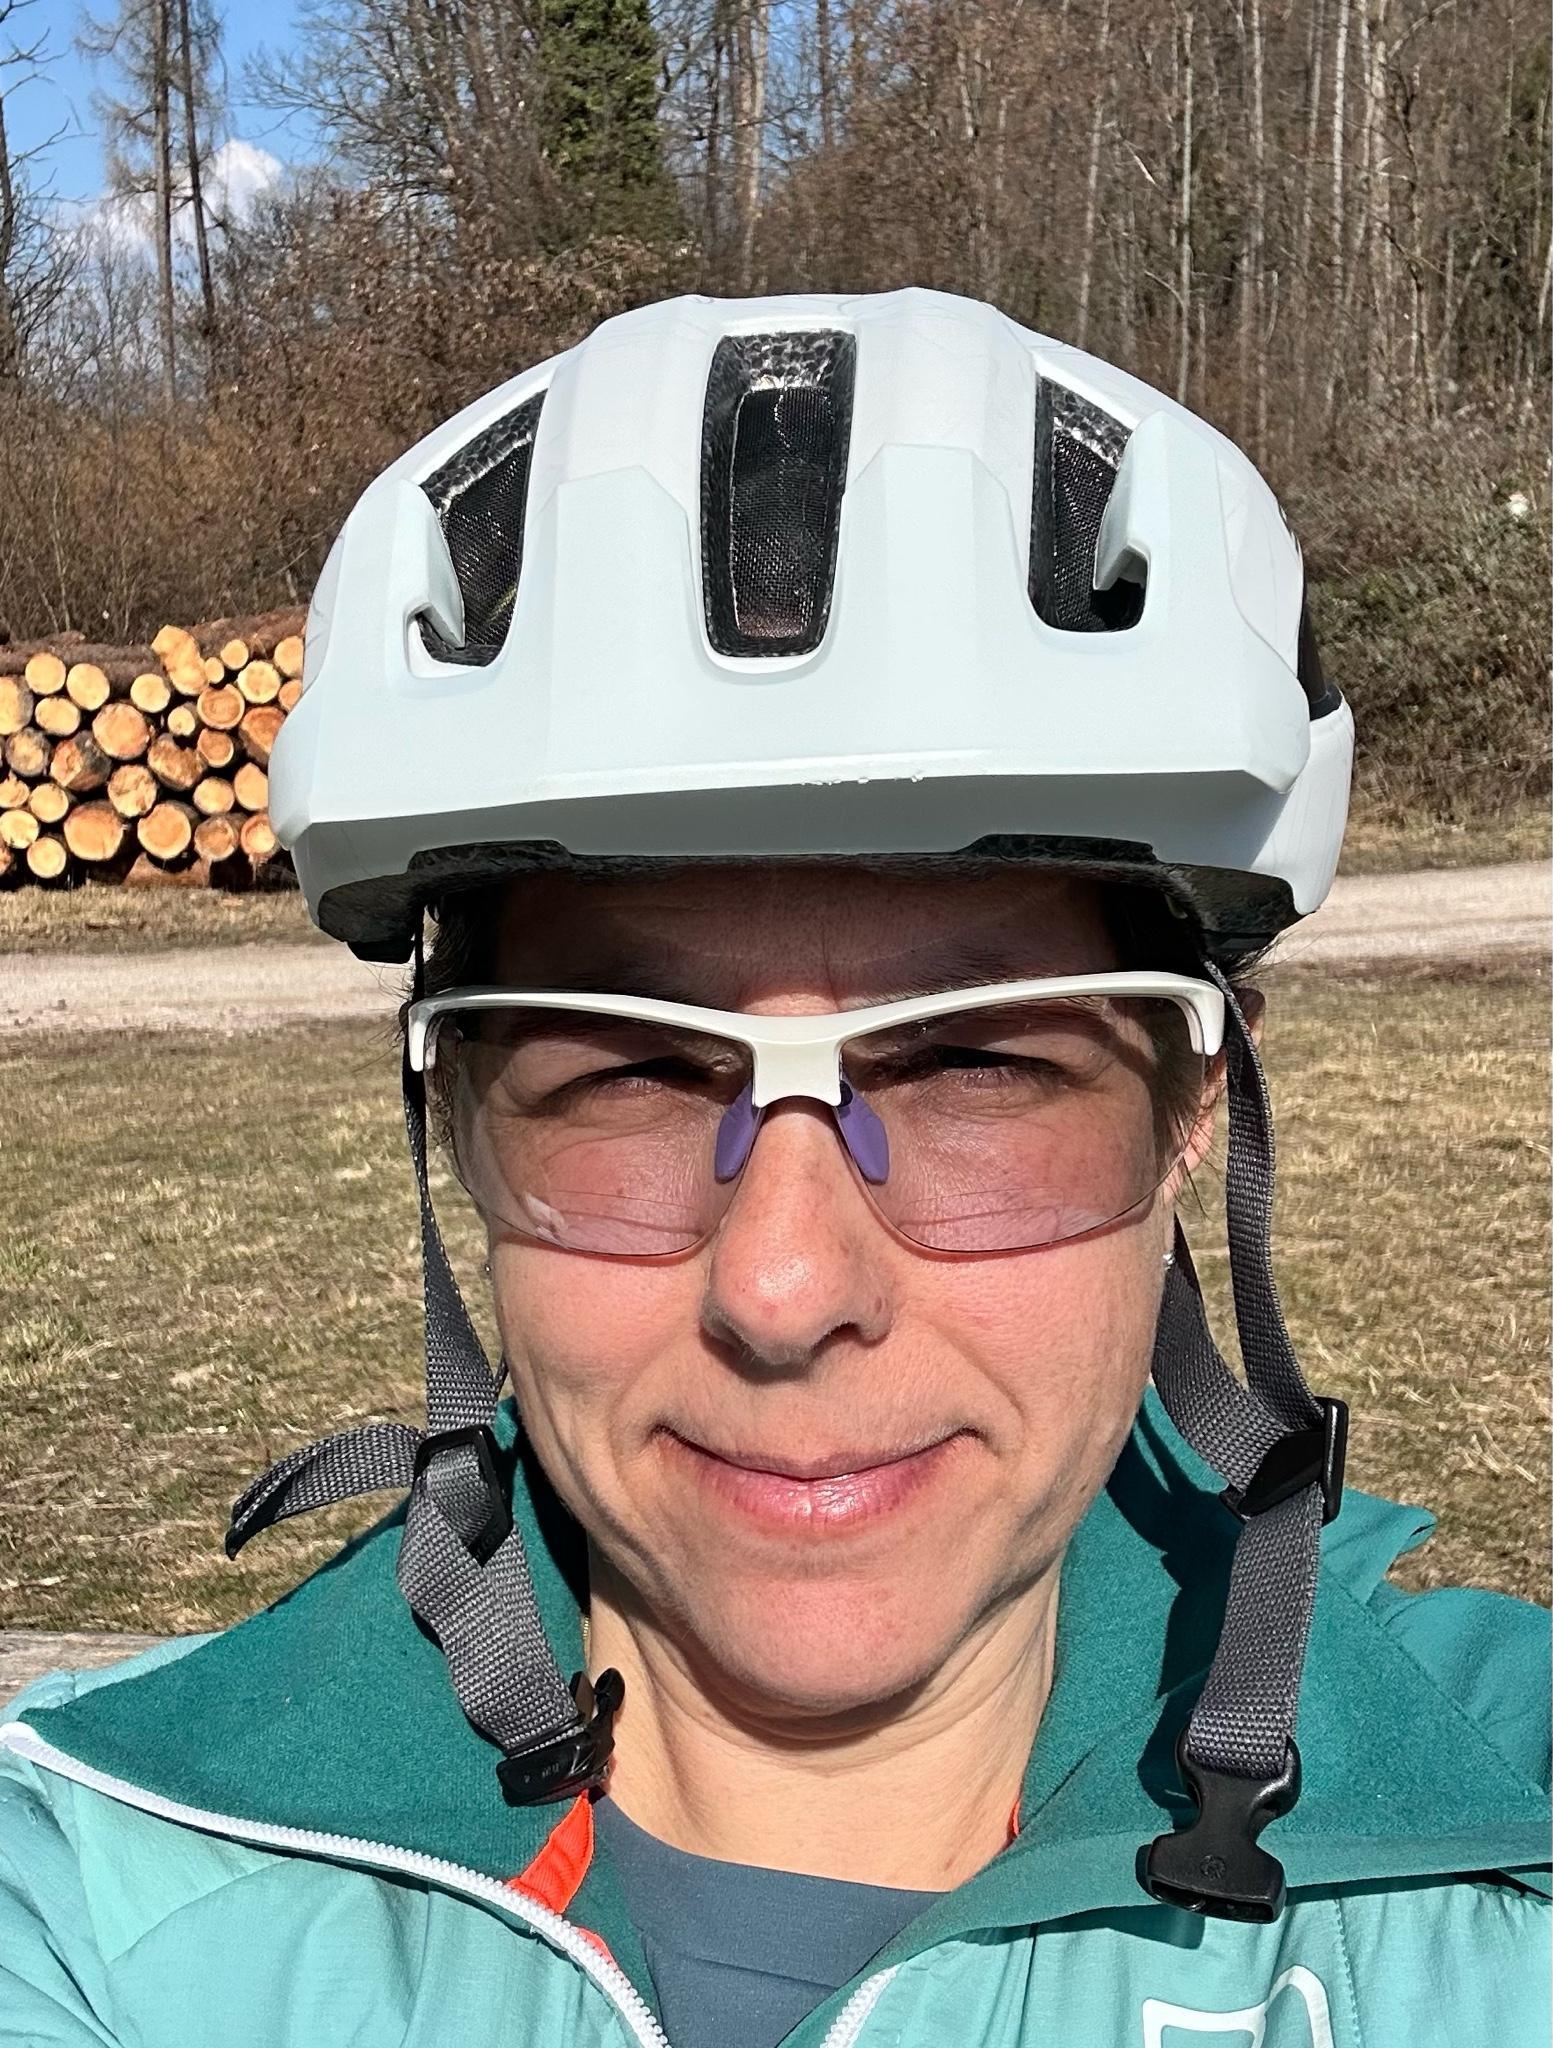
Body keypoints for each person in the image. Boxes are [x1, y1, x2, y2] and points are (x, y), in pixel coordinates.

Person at [1, 289, 1546, 2048]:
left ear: (1196, 1102)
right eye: (630, 1070)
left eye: (975, 1064)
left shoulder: (1506, 1841)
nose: (785, 1287)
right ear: (455, 1130)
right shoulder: (94, 1899)